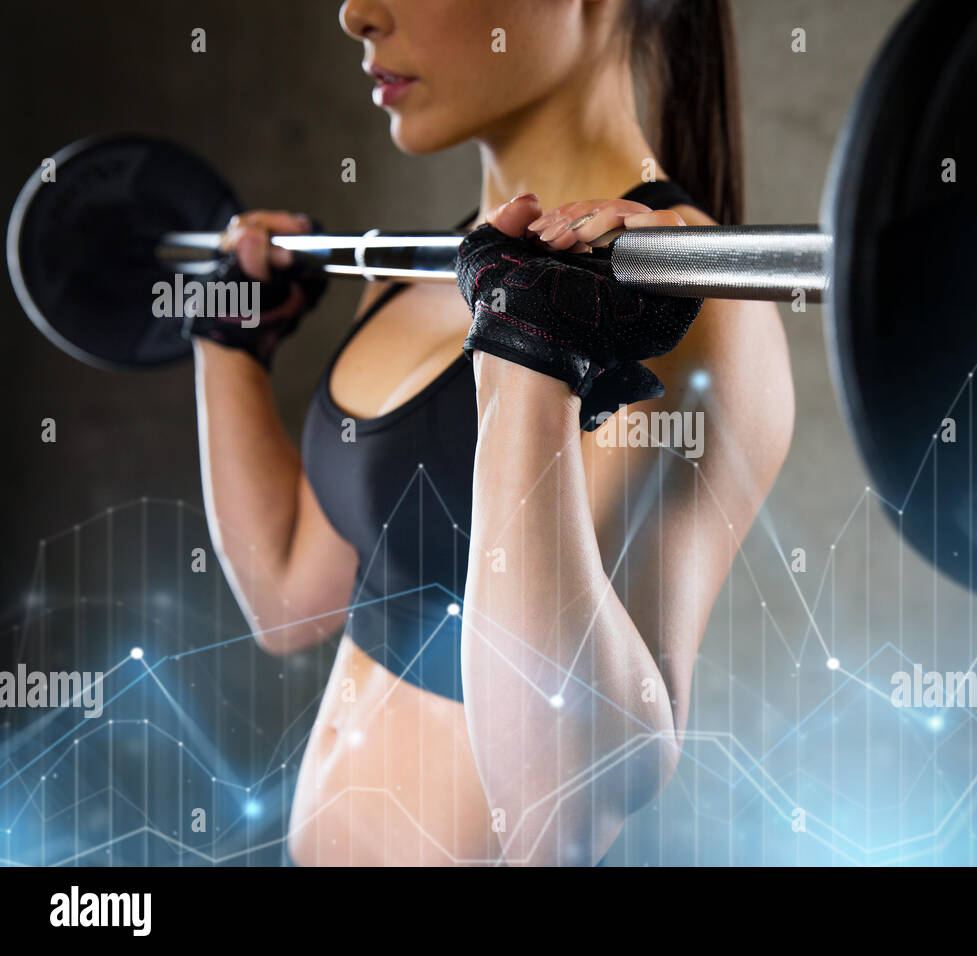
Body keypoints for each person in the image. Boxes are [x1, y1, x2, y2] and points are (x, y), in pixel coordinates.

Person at [190, 0, 793, 865]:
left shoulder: (684, 303)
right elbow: (293, 600)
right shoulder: (432, 268)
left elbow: (571, 799)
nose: (356, 13)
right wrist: (231, 343)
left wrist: (527, 361)